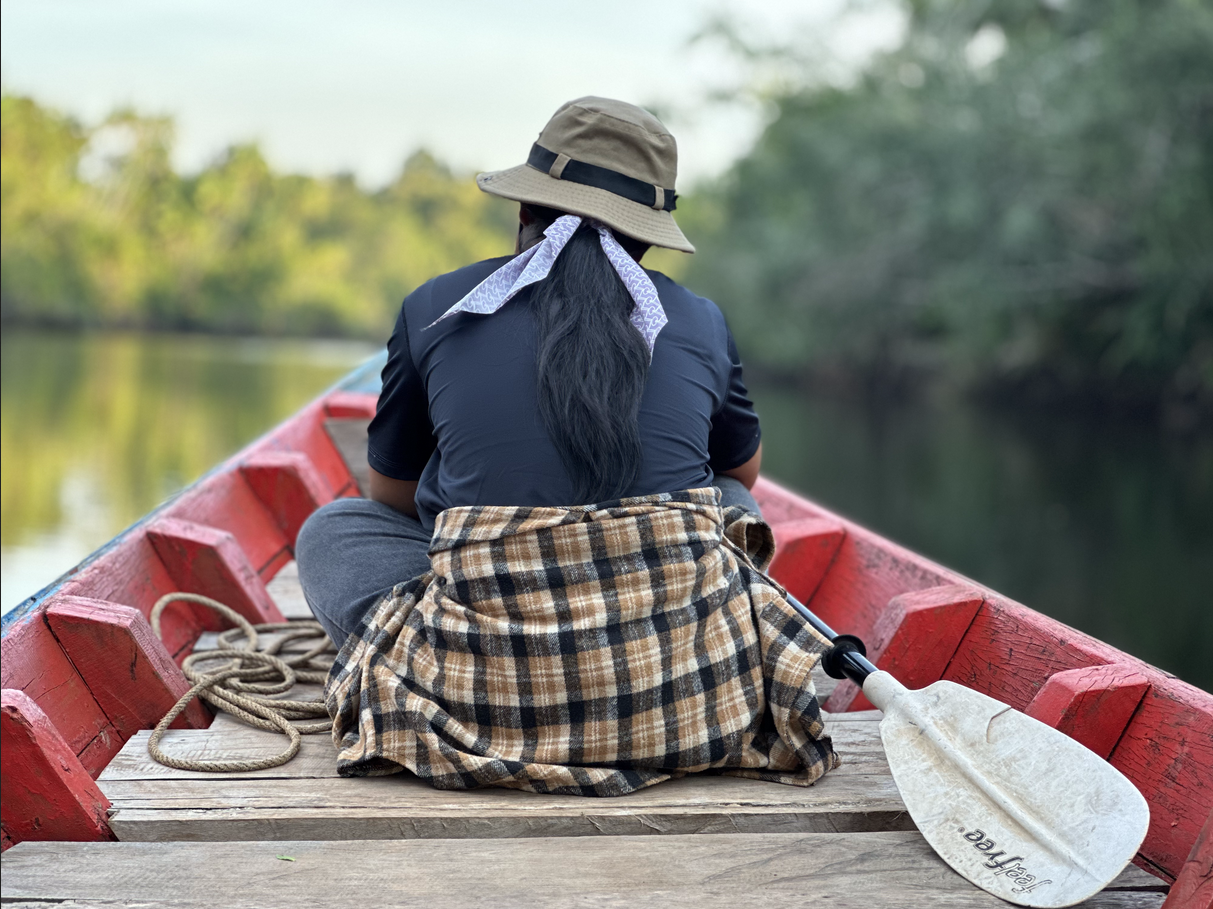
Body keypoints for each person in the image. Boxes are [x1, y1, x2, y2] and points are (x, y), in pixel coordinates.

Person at [298, 97, 839, 796]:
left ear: (525, 211)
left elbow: (390, 496)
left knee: (334, 527)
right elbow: (742, 473)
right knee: (728, 500)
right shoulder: (700, 320)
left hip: (479, 697)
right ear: (646, 238)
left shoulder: (435, 304)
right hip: (680, 701)